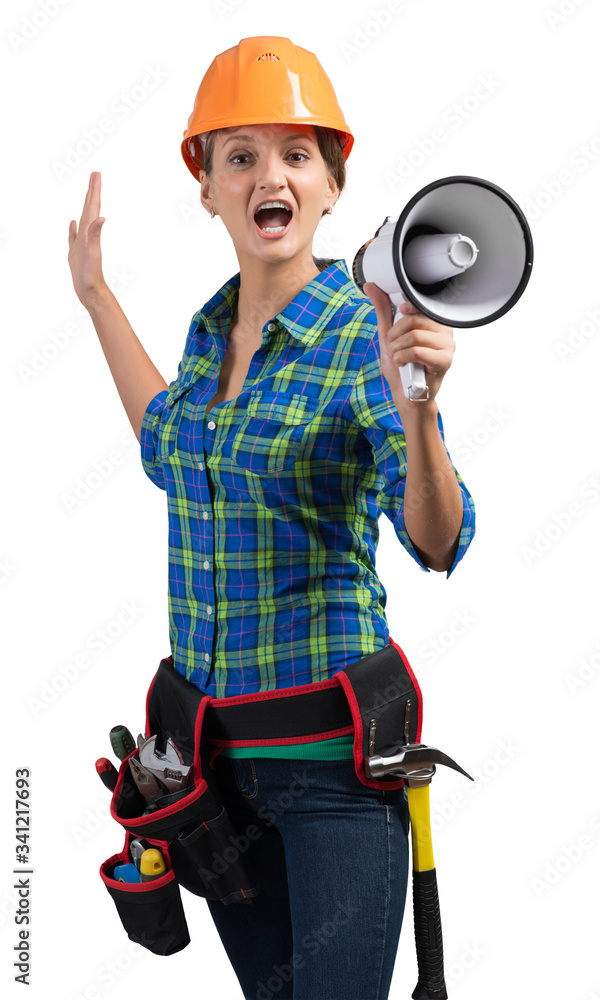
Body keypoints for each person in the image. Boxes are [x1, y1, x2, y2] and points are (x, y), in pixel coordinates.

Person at [68, 35, 475, 1000]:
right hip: (215, 776)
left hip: (333, 771)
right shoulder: (212, 336)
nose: (269, 175)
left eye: (296, 154)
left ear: (332, 185)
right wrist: (93, 296)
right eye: (239, 155)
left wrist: (417, 410)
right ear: (206, 187)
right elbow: (170, 447)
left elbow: (437, 539)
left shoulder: (364, 333)